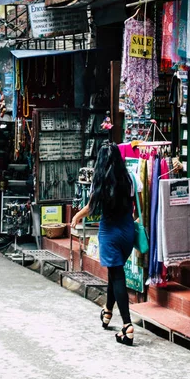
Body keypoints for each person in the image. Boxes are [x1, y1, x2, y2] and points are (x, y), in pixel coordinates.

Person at [71, 142, 138, 347]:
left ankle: (127, 326)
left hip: (109, 233)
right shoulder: (131, 178)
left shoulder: (99, 181)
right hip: (127, 233)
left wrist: (77, 217)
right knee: (115, 273)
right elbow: (138, 205)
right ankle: (107, 312)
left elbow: (91, 207)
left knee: (117, 275)